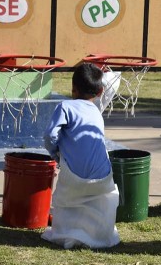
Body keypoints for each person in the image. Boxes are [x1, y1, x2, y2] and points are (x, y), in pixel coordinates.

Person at [41, 63, 120, 249]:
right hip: (103, 180)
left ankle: (65, 232)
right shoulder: (97, 112)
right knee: (102, 199)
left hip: (74, 181)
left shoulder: (65, 107)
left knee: (63, 200)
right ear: (100, 92)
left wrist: (56, 154)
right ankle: (99, 235)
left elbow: (50, 135)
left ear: (73, 89)